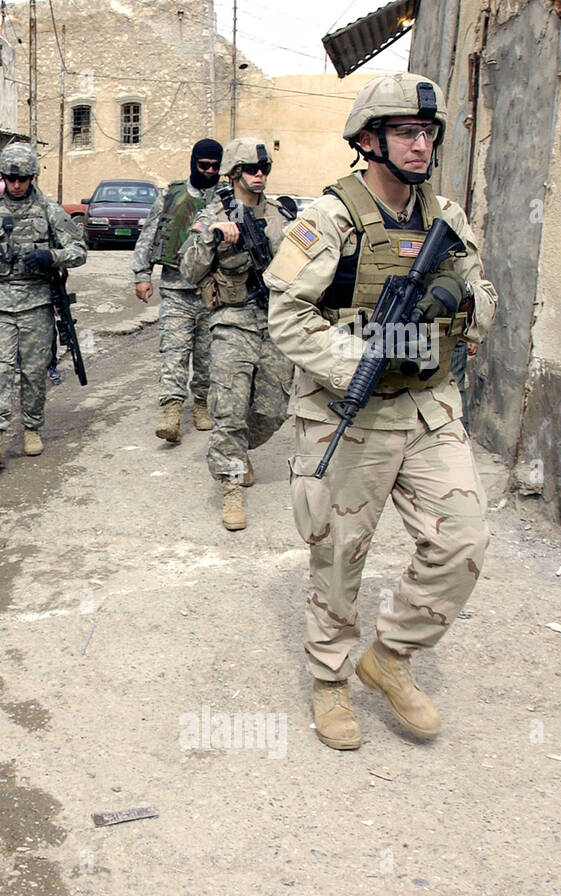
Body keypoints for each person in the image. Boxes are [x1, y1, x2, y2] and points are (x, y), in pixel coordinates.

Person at [263, 73, 497, 750]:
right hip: (348, 411)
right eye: (405, 132)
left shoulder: (447, 221)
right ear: (369, 140)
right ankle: (330, 679)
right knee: (338, 556)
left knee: (464, 539)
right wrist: (360, 358)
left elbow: (486, 301)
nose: (421, 145)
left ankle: (390, 657)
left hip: (428, 410)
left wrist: (456, 295)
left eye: (427, 133)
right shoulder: (329, 219)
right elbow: (287, 316)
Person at [0, 142, 86, 463]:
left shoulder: (49, 211)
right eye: (11, 178)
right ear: (3, 177)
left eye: (23, 179)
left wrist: (51, 255)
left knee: (35, 371)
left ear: (32, 177)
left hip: (36, 305)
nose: (17, 184)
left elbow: (79, 250)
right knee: (0, 370)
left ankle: (32, 428)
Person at [181, 138, 294, 531]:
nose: (259, 174)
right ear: (233, 173)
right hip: (232, 320)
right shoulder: (212, 213)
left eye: (264, 168)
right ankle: (231, 486)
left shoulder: (284, 215)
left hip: (276, 322)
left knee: (272, 411)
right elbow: (189, 272)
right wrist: (212, 236)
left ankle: (239, 450)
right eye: (251, 168)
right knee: (228, 408)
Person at [132, 138, 222, 443]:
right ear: (193, 163)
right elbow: (148, 236)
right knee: (174, 352)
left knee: (208, 357)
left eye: (214, 166)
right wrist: (142, 275)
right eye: (203, 166)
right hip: (175, 288)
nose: (209, 171)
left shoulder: (225, 199)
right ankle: (171, 414)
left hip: (213, 292)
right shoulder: (171, 196)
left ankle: (201, 405)